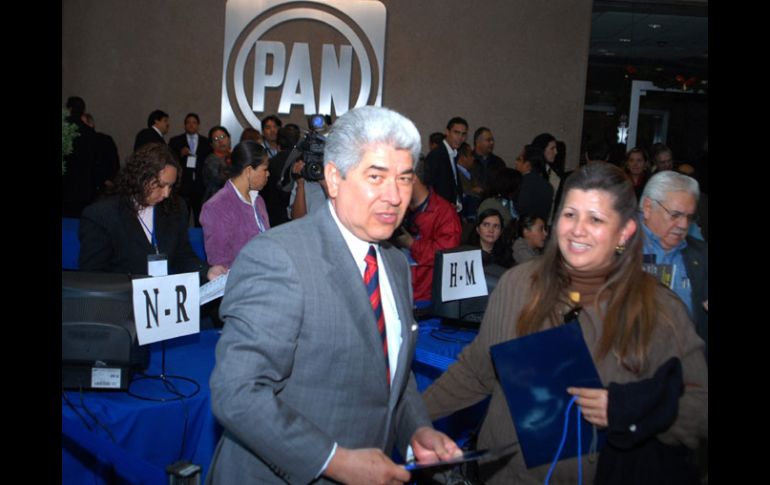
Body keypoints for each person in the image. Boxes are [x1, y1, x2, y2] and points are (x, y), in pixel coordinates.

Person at [207, 106, 461, 484]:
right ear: (333, 178)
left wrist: (416, 430)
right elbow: (237, 393)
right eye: (376, 177)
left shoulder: (394, 264)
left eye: (405, 179)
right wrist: (335, 461)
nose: (394, 196)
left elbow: (392, 370)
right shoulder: (279, 256)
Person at [422, 163, 707, 484]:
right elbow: (476, 371)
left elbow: (700, 408)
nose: (577, 230)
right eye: (570, 215)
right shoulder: (518, 285)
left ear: (625, 231)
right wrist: (410, 420)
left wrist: (627, 408)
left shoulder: (658, 309)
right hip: (504, 475)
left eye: (595, 219)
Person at [79, 143, 226, 283]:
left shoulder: (175, 208)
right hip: (122, 297)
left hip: (163, 296)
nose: (166, 194)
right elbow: (93, 276)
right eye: (161, 185)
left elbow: (182, 255)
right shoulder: (102, 215)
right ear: (140, 177)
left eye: (170, 186)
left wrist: (207, 272)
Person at [639, 170, 708, 359]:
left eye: (689, 217)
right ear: (648, 207)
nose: (683, 225)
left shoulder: (702, 256)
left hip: (687, 367)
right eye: (675, 215)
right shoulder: (617, 249)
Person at [199, 141, 271, 269]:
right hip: (239, 278)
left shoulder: (258, 200)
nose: (268, 174)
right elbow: (219, 262)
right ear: (249, 171)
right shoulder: (216, 207)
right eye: (264, 169)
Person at [168, 113, 212, 226]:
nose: (191, 125)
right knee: (181, 219)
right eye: (188, 123)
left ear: (198, 125)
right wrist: (180, 154)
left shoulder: (206, 142)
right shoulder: (175, 141)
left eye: (194, 123)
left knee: (200, 219)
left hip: (200, 186)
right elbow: (169, 159)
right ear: (184, 125)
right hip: (183, 187)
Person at [202, 126, 232, 203]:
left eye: (223, 137)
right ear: (211, 144)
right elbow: (223, 180)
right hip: (216, 201)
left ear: (229, 139)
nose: (220, 141)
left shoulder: (234, 156)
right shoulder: (211, 160)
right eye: (216, 139)